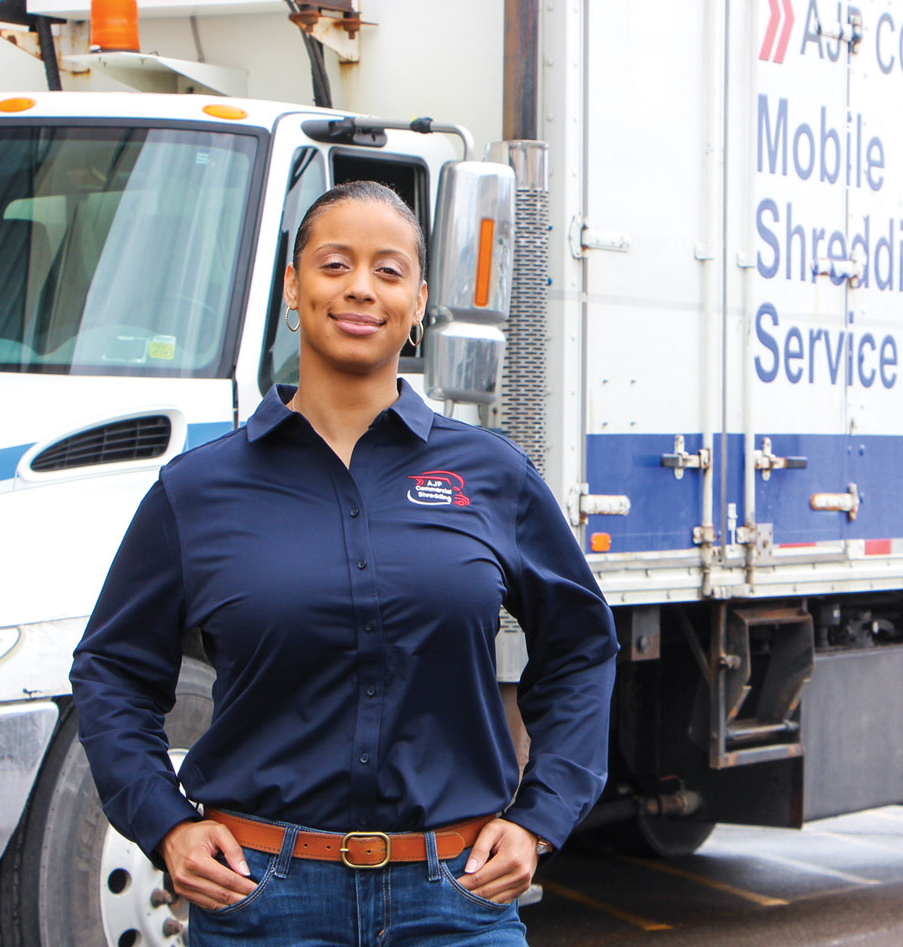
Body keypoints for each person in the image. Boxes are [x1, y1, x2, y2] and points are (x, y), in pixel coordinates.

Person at [70, 180, 618, 945]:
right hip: (260, 902)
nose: (361, 287)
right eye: (334, 264)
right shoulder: (197, 492)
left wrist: (541, 818)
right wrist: (165, 824)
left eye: (388, 271)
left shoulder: (493, 476)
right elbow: (113, 672)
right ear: (293, 287)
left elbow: (582, 648)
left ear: (420, 301)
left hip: (456, 899)